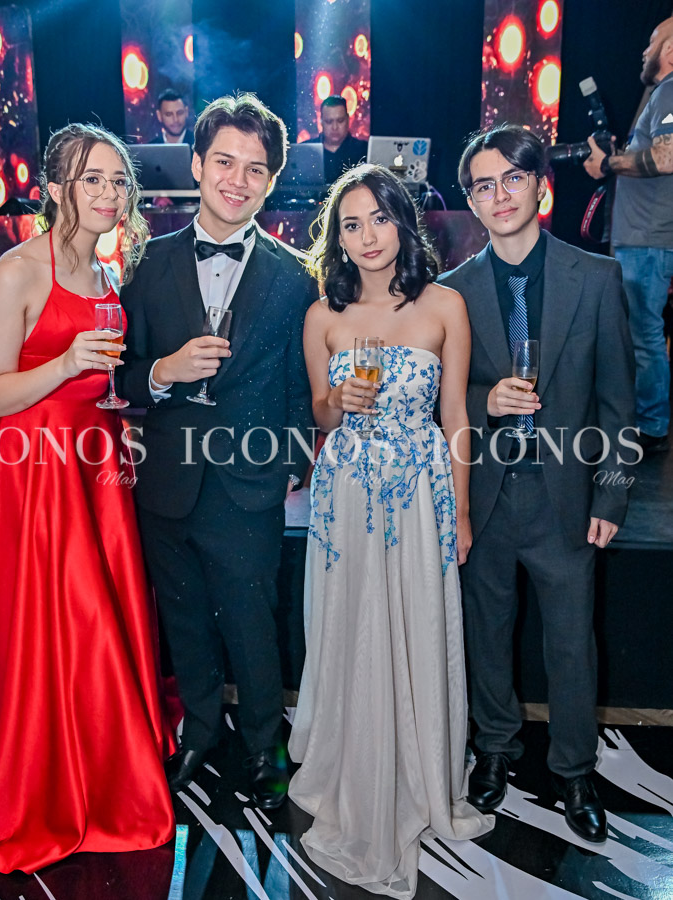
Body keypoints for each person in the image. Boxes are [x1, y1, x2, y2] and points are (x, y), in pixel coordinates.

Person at [0, 124, 176, 872]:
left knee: (103, 618)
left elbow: (101, 382)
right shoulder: (17, 271)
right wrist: (66, 364)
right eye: (91, 179)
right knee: (61, 627)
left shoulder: (105, 269)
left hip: (95, 466)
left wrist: (118, 416)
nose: (109, 193)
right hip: (34, 474)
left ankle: (107, 766)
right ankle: (55, 783)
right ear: (56, 188)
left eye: (118, 181)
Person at [288, 163, 493, 898]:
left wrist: (460, 511)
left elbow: (456, 417)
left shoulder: (445, 306)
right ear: (337, 239)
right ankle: (354, 756)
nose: (368, 235)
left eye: (379, 218)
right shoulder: (324, 316)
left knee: (415, 620)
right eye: (351, 224)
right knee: (354, 621)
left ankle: (421, 764)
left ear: (402, 222)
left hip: (419, 489)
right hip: (345, 490)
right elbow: (320, 413)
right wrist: (337, 400)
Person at [115, 93, 315, 810]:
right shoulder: (147, 263)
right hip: (167, 479)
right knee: (186, 620)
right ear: (196, 165)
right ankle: (199, 731)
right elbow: (119, 374)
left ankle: (264, 745)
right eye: (224, 162)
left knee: (253, 622)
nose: (238, 179)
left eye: (255, 169)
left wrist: (291, 462)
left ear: (271, 181)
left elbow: (300, 385)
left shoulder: (295, 276)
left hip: (248, 483)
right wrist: (163, 372)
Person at [440, 124, 635, 844]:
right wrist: (485, 399)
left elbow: (619, 400)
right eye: (484, 185)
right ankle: (494, 750)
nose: (500, 195)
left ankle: (575, 769)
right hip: (484, 494)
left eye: (513, 179)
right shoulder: (451, 293)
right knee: (486, 633)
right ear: (471, 200)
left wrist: (612, 492)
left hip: (567, 499)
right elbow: (439, 399)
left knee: (572, 643)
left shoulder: (597, 278)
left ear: (539, 186)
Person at [584, 16, 673, 454]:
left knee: (644, 334)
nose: (644, 50)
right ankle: (643, 418)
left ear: (670, 50)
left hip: (649, 237)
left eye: (652, 41)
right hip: (640, 235)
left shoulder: (671, 89)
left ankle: (652, 425)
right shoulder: (660, 94)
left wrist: (608, 163)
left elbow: (668, 156)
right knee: (639, 332)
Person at [308, 95, 368, 184]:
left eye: (340, 121)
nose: (335, 127)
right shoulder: (307, 150)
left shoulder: (364, 150)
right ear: (321, 121)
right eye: (329, 121)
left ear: (348, 119)